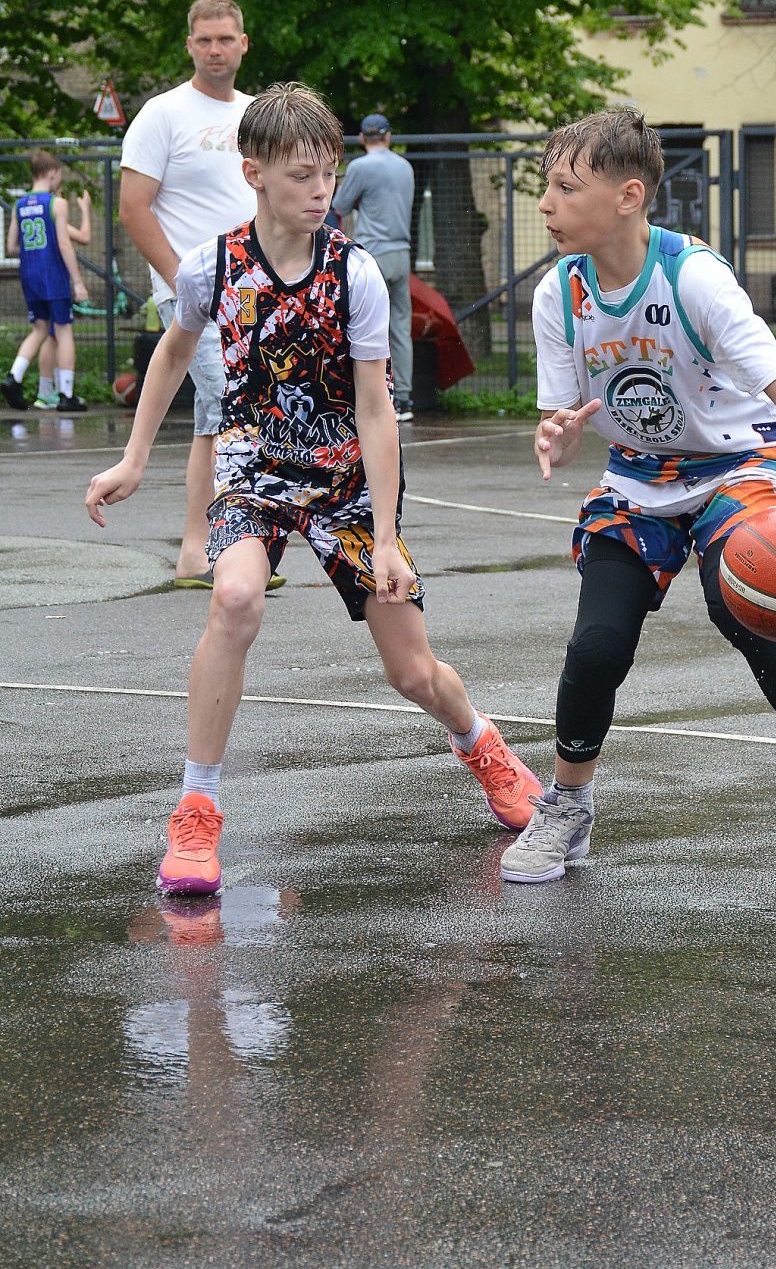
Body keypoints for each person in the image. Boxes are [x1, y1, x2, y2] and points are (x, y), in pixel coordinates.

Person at [86, 82, 540, 895]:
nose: (321, 190)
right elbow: (173, 353)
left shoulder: (353, 274)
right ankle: (197, 808)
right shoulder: (212, 266)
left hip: (344, 481)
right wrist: (133, 458)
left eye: (328, 173)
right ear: (253, 173)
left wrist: (387, 538)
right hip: (254, 470)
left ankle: (480, 742)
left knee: (412, 673)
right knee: (234, 599)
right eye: (302, 175)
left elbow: (375, 408)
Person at [499, 108, 776, 894]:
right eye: (545, 187)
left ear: (627, 196)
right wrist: (556, 434)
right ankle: (567, 805)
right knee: (596, 646)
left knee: (743, 606)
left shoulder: (692, 278)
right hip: (638, 474)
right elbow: (566, 417)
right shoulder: (559, 293)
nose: (546, 204)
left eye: (565, 188)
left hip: (738, 461)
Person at [119, 0, 284, 588]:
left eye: (226, 39)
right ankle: (214, 549)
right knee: (227, 407)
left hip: (255, 292)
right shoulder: (163, 114)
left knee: (222, 417)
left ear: (244, 44)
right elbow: (133, 208)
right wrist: (182, 282)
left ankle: (210, 550)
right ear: (190, 45)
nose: (216, 50)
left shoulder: (257, 115)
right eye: (205, 40)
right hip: (193, 291)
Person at [333, 112, 416, 422]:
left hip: (372, 255)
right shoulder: (405, 167)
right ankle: (404, 399)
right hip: (401, 253)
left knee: (364, 327)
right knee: (400, 326)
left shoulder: (360, 167)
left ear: (361, 138)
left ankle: (371, 397)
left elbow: (339, 206)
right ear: (388, 136)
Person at [2, 153, 92, 413]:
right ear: (52, 172)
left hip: (29, 274)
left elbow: (11, 246)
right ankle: (66, 394)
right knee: (63, 331)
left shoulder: (19, 204)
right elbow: (64, 243)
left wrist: (34, 250)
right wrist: (78, 281)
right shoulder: (56, 203)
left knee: (40, 329)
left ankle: (14, 376)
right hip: (52, 274)